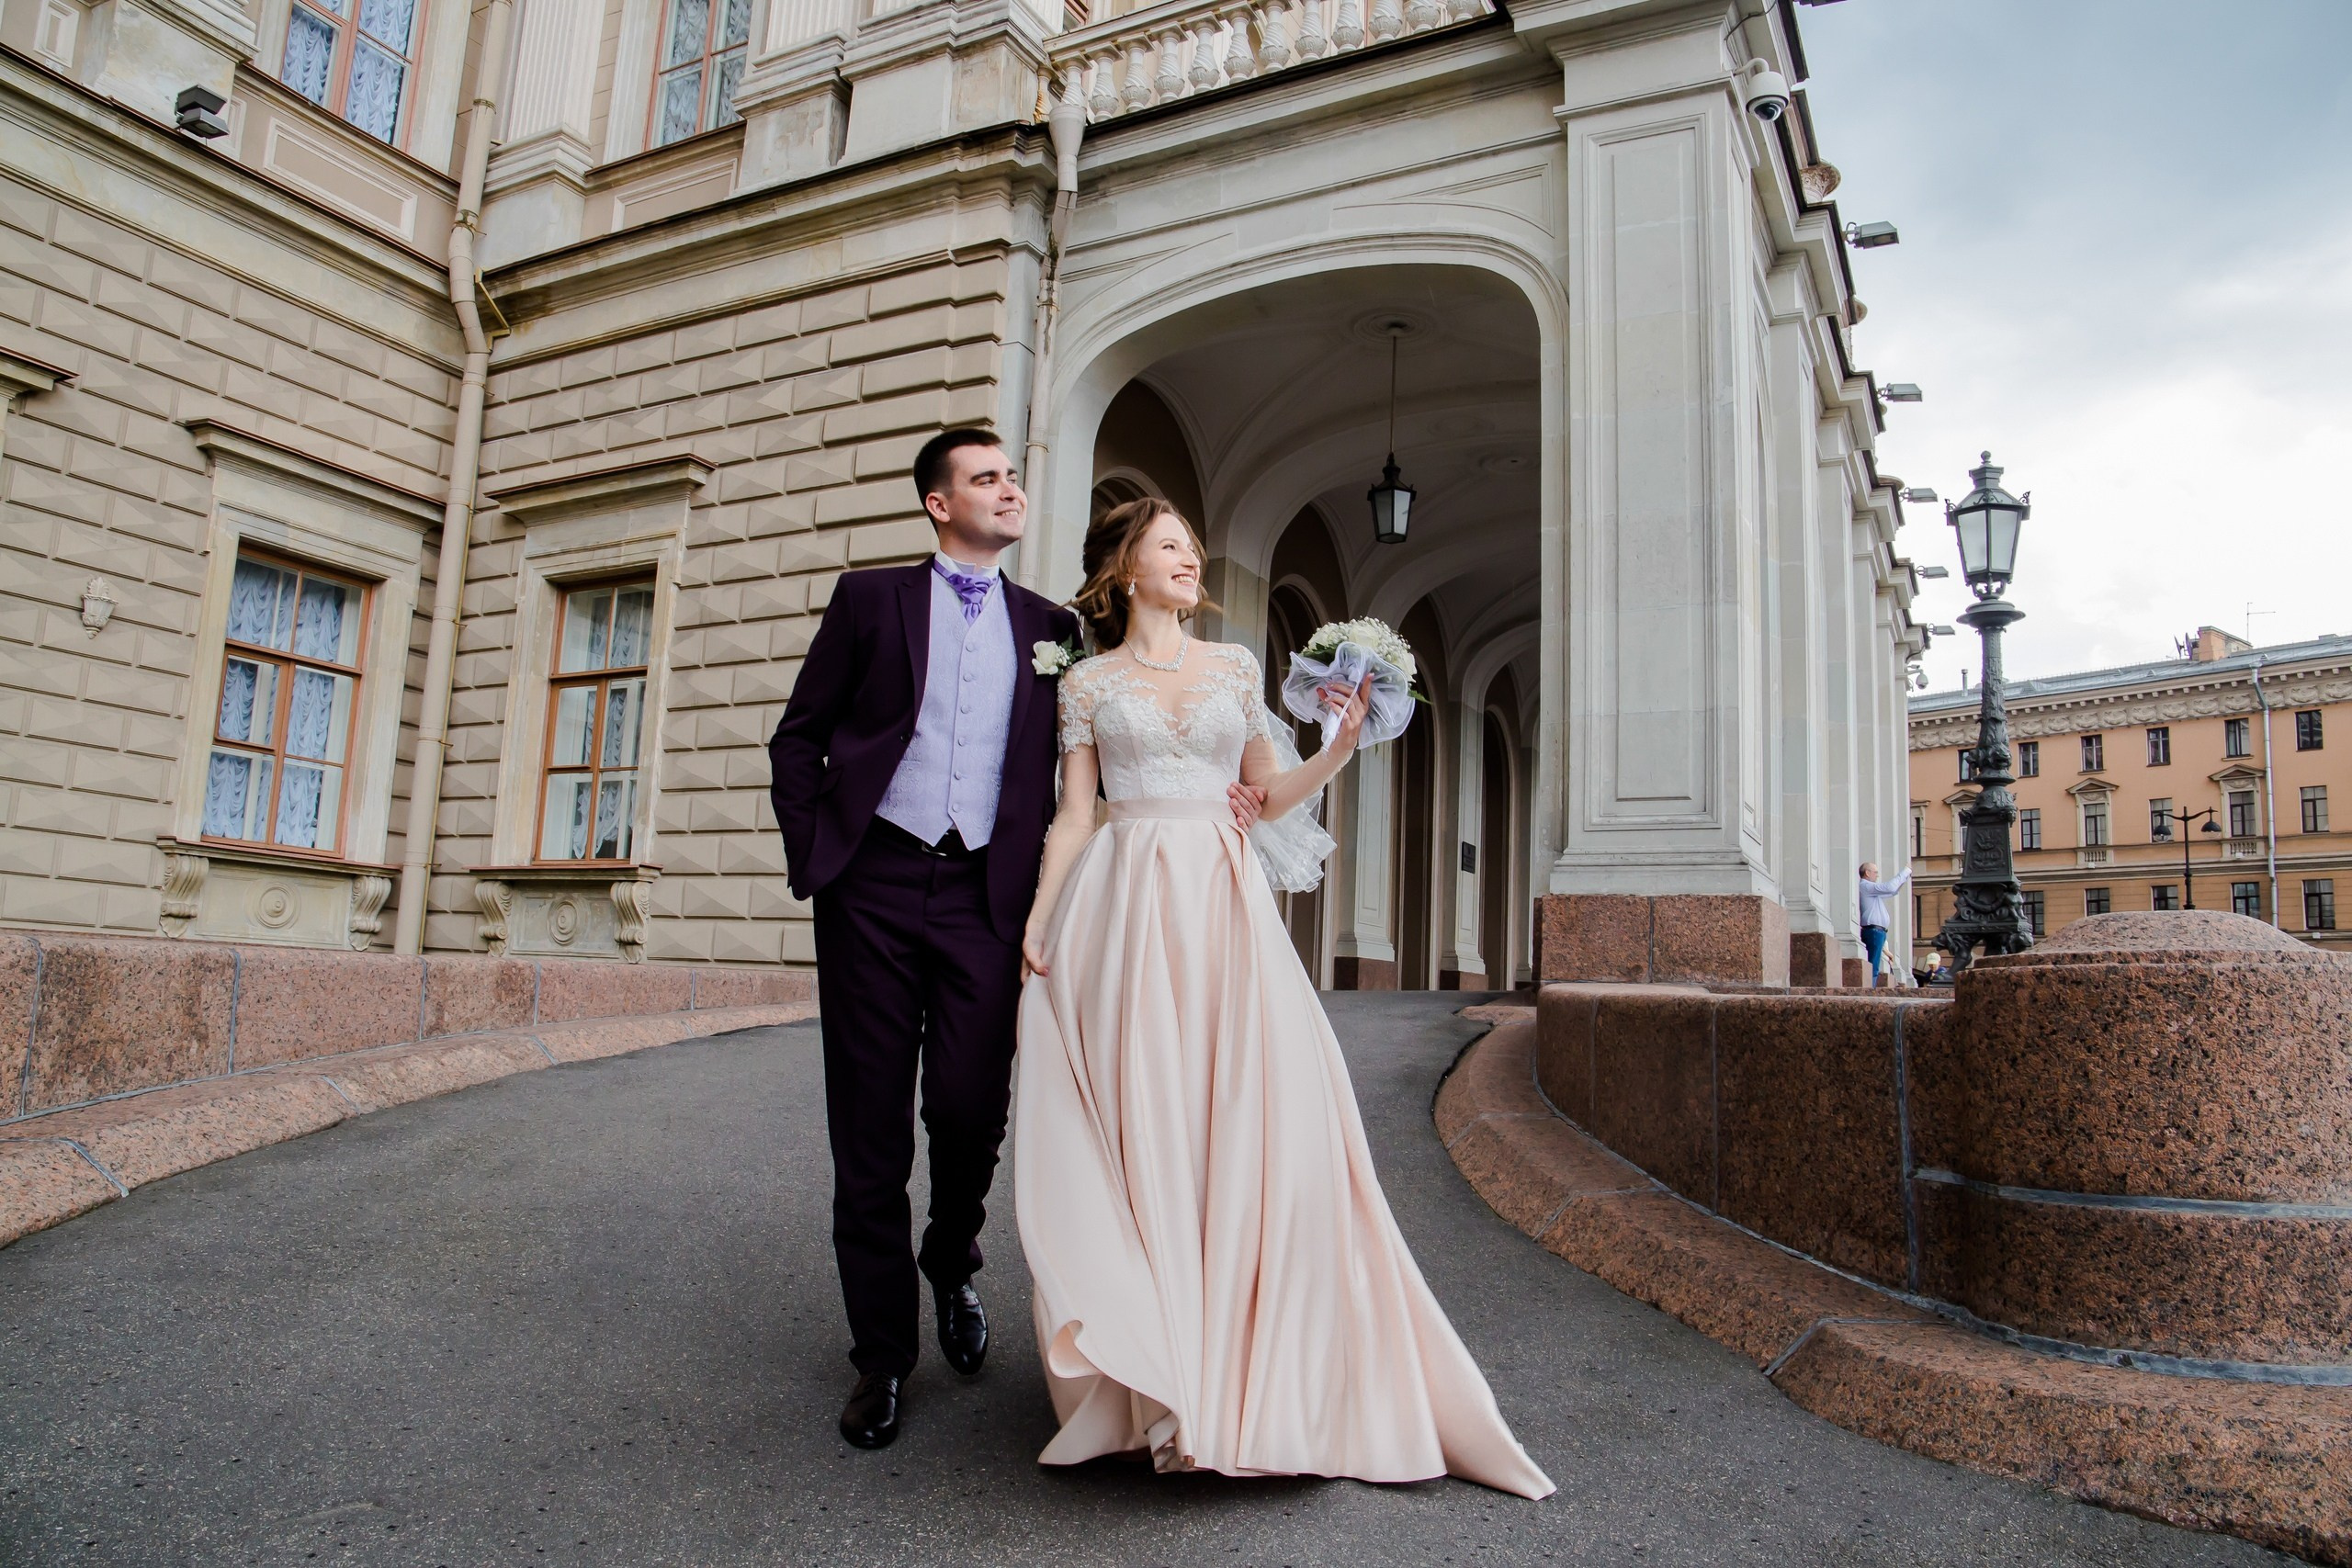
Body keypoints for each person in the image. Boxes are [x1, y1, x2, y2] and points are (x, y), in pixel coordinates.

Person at [1012, 498, 1555, 1499]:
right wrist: (1042, 919)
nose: (1189, 559)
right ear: (1125, 568)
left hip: (1222, 908)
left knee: (1244, 1121)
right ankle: (1157, 1379)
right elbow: (1075, 815)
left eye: (1191, 546)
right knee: (1145, 1124)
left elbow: (1262, 797)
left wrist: (1340, 745)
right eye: (1168, 546)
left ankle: (1239, 1375)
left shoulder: (1232, 667)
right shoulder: (1086, 684)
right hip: (1123, 907)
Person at [766, 432, 1266, 1451]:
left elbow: (1110, 741)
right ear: (939, 504)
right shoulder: (868, 601)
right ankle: (882, 1356)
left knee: (967, 1107)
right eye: (986, 478)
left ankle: (951, 1257)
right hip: (871, 884)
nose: (1009, 489)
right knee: (867, 1126)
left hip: (986, 893)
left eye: (1012, 476)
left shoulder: (1053, 631)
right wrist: (819, 852)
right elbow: (798, 736)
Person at [1857, 862, 1911, 987]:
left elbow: (1893, 891)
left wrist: (1905, 877)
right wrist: (1906, 871)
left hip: (1877, 931)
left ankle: (1871, 987)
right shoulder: (1866, 886)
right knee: (1873, 963)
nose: (1877, 875)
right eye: (1875, 872)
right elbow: (1890, 888)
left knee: (1874, 962)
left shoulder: (1870, 889)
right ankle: (1870, 989)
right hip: (1874, 931)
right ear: (1867, 873)